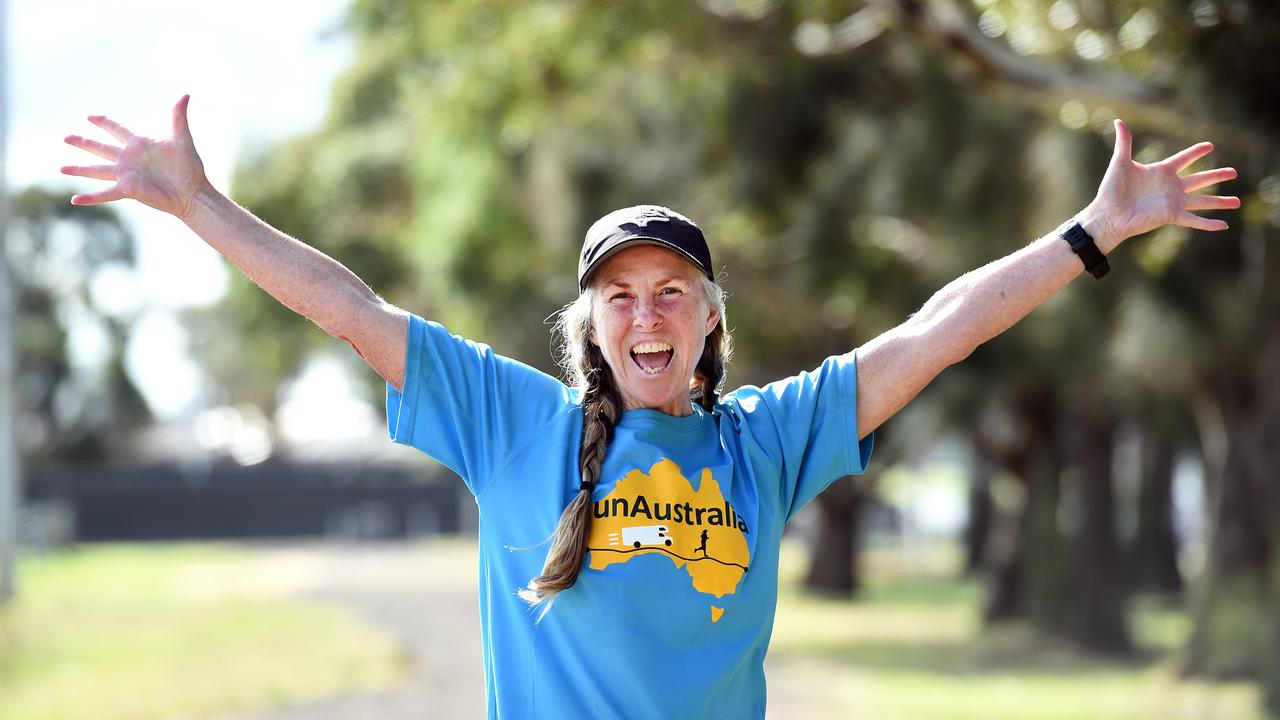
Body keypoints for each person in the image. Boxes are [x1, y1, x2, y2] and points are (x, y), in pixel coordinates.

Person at [62, 95, 1239, 718]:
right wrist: (201, 207)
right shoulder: (507, 419)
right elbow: (348, 306)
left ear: (708, 321)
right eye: (618, 297)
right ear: (591, 328)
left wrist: (1088, 234)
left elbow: (934, 331)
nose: (644, 313)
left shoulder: (767, 440)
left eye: (670, 290)